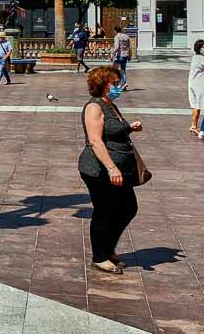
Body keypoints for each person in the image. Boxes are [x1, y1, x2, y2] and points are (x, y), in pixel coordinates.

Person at [78, 65, 144, 274]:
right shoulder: (94, 107)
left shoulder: (111, 105)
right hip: (98, 169)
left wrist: (130, 127)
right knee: (104, 212)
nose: (118, 87)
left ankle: (108, 248)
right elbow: (96, 141)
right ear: (102, 85)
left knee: (128, 208)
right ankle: (99, 256)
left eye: (118, 82)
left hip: (119, 168)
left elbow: (113, 131)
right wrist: (111, 168)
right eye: (114, 84)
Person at [188, 39, 204, 135]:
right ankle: (194, 126)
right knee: (198, 106)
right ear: (199, 48)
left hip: (194, 83)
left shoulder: (195, 57)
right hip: (200, 85)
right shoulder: (202, 59)